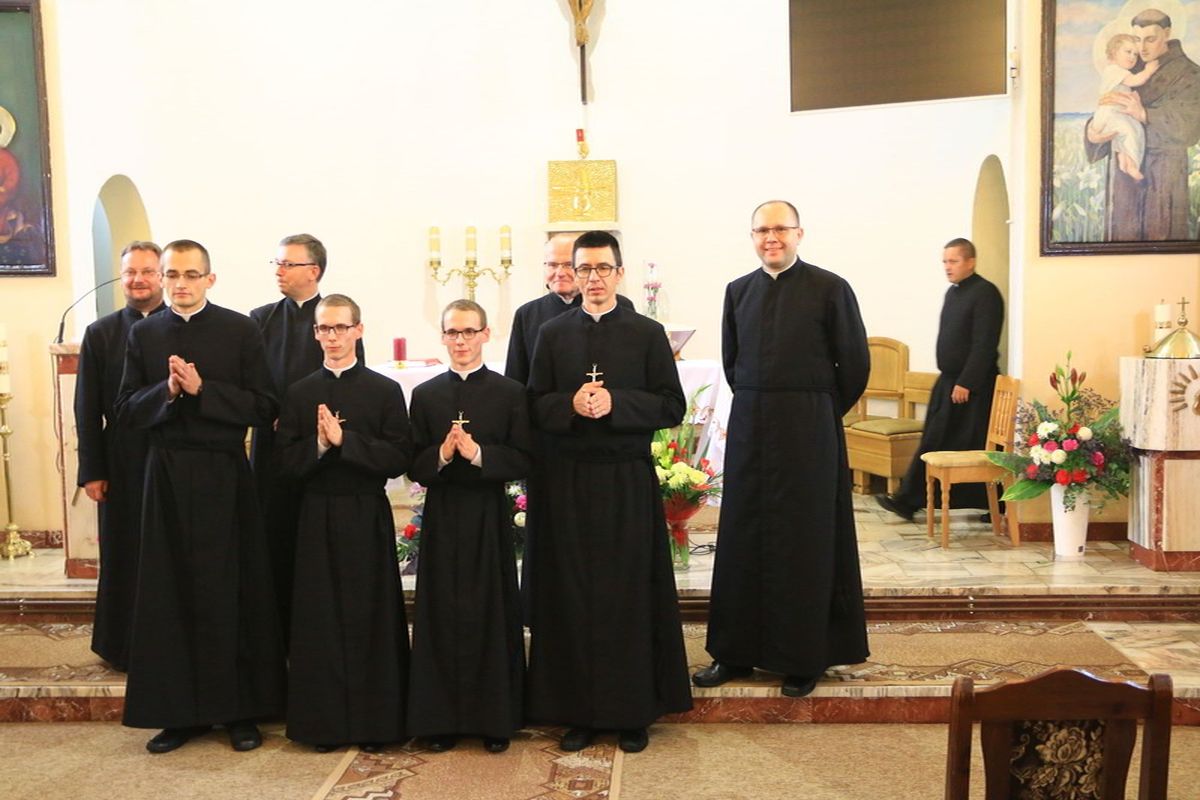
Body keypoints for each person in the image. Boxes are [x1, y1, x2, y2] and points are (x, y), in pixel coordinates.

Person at [696, 200, 870, 698]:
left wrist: (816, 409)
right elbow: (733, 362)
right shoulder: (738, 291)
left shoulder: (831, 288)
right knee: (742, 536)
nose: (770, 238)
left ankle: (803, 656)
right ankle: (733, 652)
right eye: (761, 230)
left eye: (780, 229)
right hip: (752, 424)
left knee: (804, 539)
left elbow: (854, 364)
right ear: (752, 237)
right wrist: (762, 401)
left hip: (809, 428)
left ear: (799, 234)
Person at [525, 230, 691, 754]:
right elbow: (532, 404)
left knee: (629, 593)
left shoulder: (647, 333)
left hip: (625, 478)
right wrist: (569, 405)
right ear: (572, 274)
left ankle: (632, 711)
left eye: (602, 268)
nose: (592, 279)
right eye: (584, 269)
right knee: (571, 594)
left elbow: (671, 405)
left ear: (620, 273)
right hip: (568, 480)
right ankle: (576, 711)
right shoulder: (552, 333)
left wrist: (617, 403)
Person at [116, 239, 284, 754]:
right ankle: (178, 715)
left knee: (230, 590)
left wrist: (202, 391)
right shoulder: (144, 334)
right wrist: (166, 392)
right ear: (162, 279)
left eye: (191, 274)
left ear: (210, 279)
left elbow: (265, 406)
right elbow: (125, 409)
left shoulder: (239, 330)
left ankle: (239, 713)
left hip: (223, 473)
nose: (180, 284)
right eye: (172, 275)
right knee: (170, 593)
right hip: (166, 473)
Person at [276, 294, 412, 753]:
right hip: (316, 512)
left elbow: (398, 457)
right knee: (320, 617)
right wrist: (318, 446)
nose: (332, 337)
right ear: (314, 333)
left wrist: (345, 441)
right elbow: (283, 464)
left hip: (365, 511)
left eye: (340, 327)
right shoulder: (299, 392)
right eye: (323, 329)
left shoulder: (383, 390)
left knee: (370, 614)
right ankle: (325, 724)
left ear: (358, 330)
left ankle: (377, 723)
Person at [407, 299, 532, 754]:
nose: (460, 341)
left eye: (468, 332)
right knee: (440, 613)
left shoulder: (509, 392)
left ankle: (494, 719)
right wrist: (441, 455)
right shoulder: (426, 395)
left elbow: (524, 457)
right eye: (452, 333)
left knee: (490, 611)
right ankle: (439, 720)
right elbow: (411, 461)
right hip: (443, 512)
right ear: (442, 337)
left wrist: (478, 455)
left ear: (485, 335)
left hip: (487, 513)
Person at [504, 233, 633, 624]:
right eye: (552, 264)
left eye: (566, 264)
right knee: (556, 548)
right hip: (553, 449)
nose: (560, 272)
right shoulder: (530, 316)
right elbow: (519, 388)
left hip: (611, 451)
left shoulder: (623, 312)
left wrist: (612, 402)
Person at [249, 233, 361, 642]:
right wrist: (273, 413)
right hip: (272, 446)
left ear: (313, 271)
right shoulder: (260, 319)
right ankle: (274, 631)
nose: (279, 270)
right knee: (274, 534)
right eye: (277, 263)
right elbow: (252, 381)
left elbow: (349, 383)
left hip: (321, 449)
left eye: (288, 263)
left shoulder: (336, 318)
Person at [74, 241, 166, 671]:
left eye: (147, 271)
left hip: (169, 453)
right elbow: (87, 407)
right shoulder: (101, 333)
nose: (138, 280)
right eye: (130, 272)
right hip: (122, 458)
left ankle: (167, 642)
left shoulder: (180, 327)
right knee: (124, 551)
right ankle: (122, 645)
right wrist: (92, 470)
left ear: (162, 276)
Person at [875, 238, 1004, 521]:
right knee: (934, 440)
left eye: (953, 261)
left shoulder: (986, 293)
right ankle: (909, 500)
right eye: (945, 261)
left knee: (972, 445)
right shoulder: (953, 293)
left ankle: (997, 506)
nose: (947, 267)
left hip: (972, 387)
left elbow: (984, 343)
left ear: (971, 261)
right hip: (949, 382)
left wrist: (967, 381)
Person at [1085, 8, 1200, 241]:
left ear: (1167, 33)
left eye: (1150, 39)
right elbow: (1108, 107)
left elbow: (1190, 126)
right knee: (1121, 241)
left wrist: (1145, 114)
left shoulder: (1190, 73)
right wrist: (1093, 133)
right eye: (1137, 39)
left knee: (1163, 241)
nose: (1142, 48)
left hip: (1164, 174)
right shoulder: (1129, 67)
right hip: (1123, 176)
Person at [1092, 34, 1159, 181]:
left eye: (1135, 54)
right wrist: (1148, 71)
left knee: (1128, 134)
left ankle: (1124, 161)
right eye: (1128, 52)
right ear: (1114, 52)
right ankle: (1133, 165)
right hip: (1110, 114)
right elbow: (1135, 80)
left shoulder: (1117, 71)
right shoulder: (1115, 70)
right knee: (1131, 132)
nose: (1132, 57)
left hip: (1116, 114)